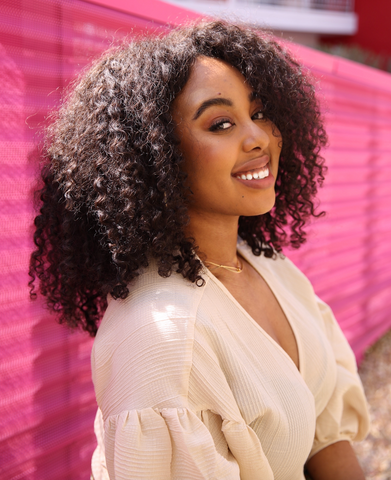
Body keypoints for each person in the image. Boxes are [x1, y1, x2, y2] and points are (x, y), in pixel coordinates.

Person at [29, 21, 369, 480]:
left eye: (260, 112)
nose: (259, 138)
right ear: (156, 157)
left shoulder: (267, 265)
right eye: (221, 123)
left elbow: (326, 438)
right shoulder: (163, 340)